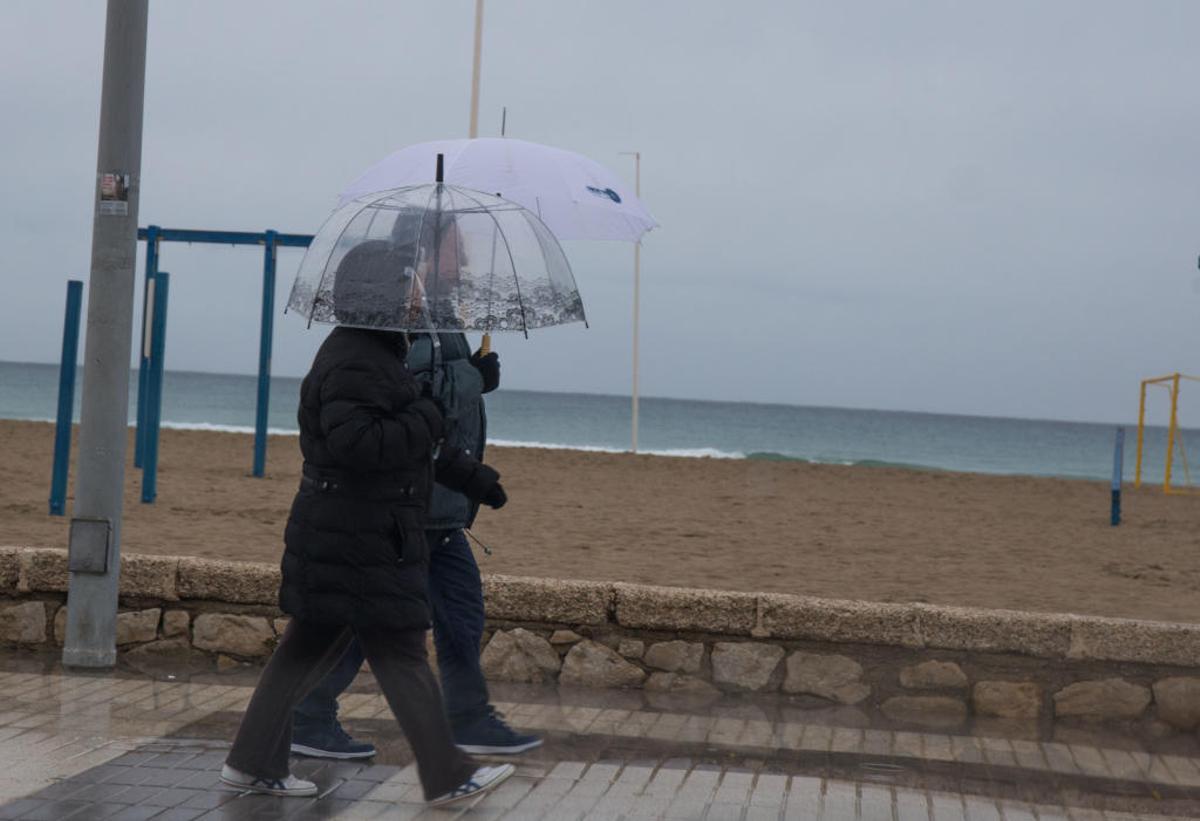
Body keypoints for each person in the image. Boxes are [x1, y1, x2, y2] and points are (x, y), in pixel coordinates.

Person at [221, 239, 514, 805]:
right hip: (360, 537)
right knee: (402, 650)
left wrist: (469, 476)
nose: (417, 296)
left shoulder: (378, 352)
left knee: (307, 651)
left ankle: (251, 763)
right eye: (410, 285)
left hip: (354, 535)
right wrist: (432, 410)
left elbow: (402, 435)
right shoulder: (357, 357)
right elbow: (362, 444)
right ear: (382, 292)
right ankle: (449, 776)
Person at [291, 211, 542, 760]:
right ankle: (311, 718)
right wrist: (476, 377)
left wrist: (472, 474)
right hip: (409, 503)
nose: (469, 260)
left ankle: (465, 721)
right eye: (458, 248)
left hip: (442, 500)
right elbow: (410, 393)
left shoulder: (444, 311)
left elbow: (425, 402)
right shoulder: (401, 317)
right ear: (425, 251)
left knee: (457, 613)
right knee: (373, 625)